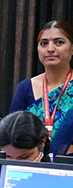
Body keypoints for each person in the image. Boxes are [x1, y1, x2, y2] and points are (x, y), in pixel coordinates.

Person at [10, 20, 73, 156]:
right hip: (31, 162)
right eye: (44, 43)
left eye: (59, 42)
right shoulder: (25, 88)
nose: (50, 49)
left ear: (72, 49)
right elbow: (11, 134)